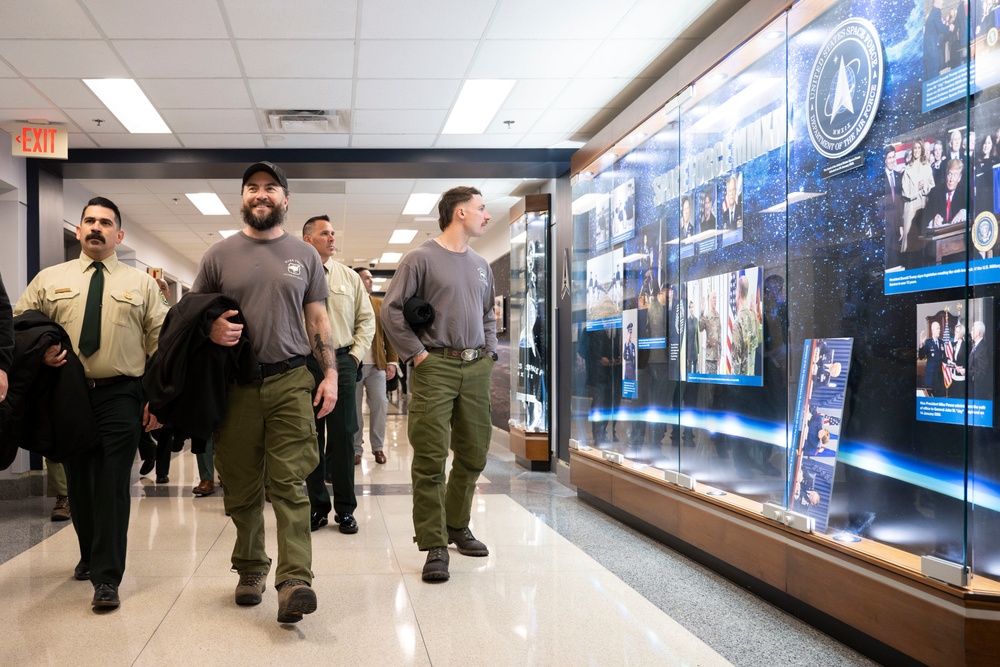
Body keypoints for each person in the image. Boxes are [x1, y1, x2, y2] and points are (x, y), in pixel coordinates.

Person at [192, 161, 339, 624]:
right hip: (235, 385)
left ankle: (295, 580)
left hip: (292, 378)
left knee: (291, 483)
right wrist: (210, 326)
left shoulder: (305, 255)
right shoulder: (218, 255)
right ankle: (251, 567)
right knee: (240, 487)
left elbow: (318, 319)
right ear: (242, 198)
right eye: (252, 188)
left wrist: (330, 373)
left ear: (285, 200)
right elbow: (193, 314)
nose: (261, 194)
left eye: (270, 188)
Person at [13, 196, 167, 610]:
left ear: (119, 235)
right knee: (80, 483)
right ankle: (89, 553)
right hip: (68, 394)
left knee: (113, 483)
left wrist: (156, 399)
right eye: (89, 221)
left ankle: (107, 576)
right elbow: (21, 329)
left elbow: (160, 346)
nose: (96, 227)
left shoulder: (143, 285)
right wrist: (41, 350)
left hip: (122, 392)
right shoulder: (49, 279)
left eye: (105, 223)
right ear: (79, 230)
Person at [381, 186, 498, 584]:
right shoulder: (420, 258)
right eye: (482, 208)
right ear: (460, 212)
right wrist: (416, 354)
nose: (487, 215)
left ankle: (456, 525)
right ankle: (433, 542)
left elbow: (487, 313)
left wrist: (490, 352)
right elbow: (391, 310)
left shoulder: (481, 264)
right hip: (436, 366)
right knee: (431, 459)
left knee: (473, 455)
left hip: (475, 367)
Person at [300, 215, 374, 534]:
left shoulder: (348, 277)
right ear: (307, 239)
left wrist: (355, 357)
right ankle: (318, 506)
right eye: (324, 233)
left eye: (333, 233)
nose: (331, 238)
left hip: (342, 361)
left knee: (343, 435)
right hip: (304, 364)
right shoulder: (295, 276)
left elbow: (366, 320)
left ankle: (345, 509)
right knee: (310, 436)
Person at [354, 267, 396, 466]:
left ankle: (378, 448)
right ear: (357, 280)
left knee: (380, 404)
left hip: (377, 365)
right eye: (367, 278)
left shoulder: (380, 305)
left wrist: (392, 361)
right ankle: (356, 449)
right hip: (353, 365)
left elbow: (389, 334)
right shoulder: (348, 304)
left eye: (371, 278)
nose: (371, 281)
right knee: (354, 410)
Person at [901, 141, 934, 254]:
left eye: (919, 148)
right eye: (914, 148)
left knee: (923, 235)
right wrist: (916, 190)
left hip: (924, 204)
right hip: (910, 205)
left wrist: (925, 186)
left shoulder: (927, 168)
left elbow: (932, 186)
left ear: (922, 150)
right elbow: (904, 191)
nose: (916, 150)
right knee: (908, 236)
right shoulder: (907, 170)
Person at [731, 274, 761, 376]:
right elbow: (758, 340)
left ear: (738, 293)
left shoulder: (737, 322)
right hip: (752, 377)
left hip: (741, 381)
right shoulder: (754, 318)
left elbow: (736, 360)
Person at [926, 159, 968, 230]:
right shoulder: (935, 192)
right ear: (946, 175)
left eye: (955, 175)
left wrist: (964, 212)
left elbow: (972, 209)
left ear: (959, 178)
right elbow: (925, 219)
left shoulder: (964, 193)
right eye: (950, 174)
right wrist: (932, 222)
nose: (951, 179)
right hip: (940, 236)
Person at [918, 321, 947, 397]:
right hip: (931, 375)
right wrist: (921, 344)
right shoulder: (928, 342)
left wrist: (950, 362)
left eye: (939, 329)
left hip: (939, 376)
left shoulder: (941, 342)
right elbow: (921, 357)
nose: (939, 330)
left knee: (939, 397)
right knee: (930, 397)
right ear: (932, 330)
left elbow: (944, 357)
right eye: (937, 329)